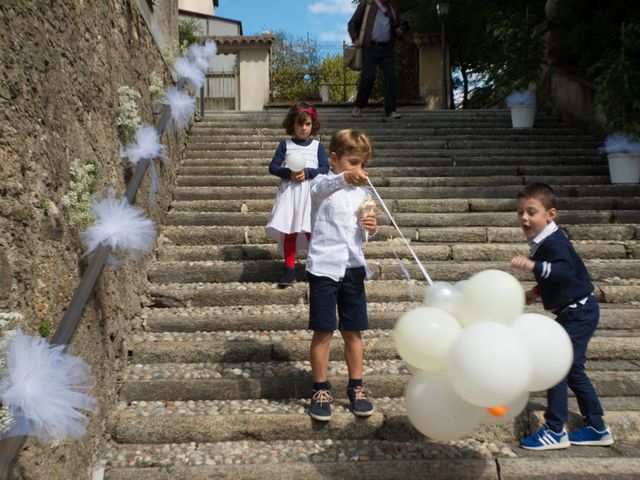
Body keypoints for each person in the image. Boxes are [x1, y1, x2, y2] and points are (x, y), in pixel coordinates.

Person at [511, 183, 614, 450]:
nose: (524, 218)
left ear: (550, 215)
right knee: (574, 370)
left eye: (531, 212)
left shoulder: (553, 241)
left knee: (556, 366)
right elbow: (564, 276)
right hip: (577, 310)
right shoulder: (544, 241)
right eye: (520, 212)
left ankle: (555, 430)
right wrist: (535, 291)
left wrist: (534, 266)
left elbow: (565, 271)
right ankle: (597, 427)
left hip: (579, 312)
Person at [305, 129, 378, 421]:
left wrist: (371, 226)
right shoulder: (322, 183)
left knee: (353, 330)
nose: (358, 170)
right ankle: (320, 388)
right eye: (352, 163)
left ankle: (356, 387)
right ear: (334, 159)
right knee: (323, 329)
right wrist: (344, 178)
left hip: (353, 266)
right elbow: (318, 191)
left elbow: (363, 232)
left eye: (361, 164)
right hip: (323, 266)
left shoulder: (364, 193)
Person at [266, 102, 329, 287]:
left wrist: (308, 173)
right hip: (290, 195)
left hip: (310, 195)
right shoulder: (285, 145)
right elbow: (273, 167)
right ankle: (289, 269)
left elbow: (325, 168)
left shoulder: (317, 146)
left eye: (307, 124)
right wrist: (288, 173)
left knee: (312, 231)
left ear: (313, 125)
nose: (304, 128)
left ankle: (317, 267)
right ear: (292, 124)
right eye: (300, 124)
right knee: (290, 230)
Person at [348, 0, 405, 121]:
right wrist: (355, 39)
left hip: (387, 50)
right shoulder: (367, 4)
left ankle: (391, 110)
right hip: (369, 47)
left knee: (390, 76)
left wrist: (399, 33)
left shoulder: (392, 8)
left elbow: (395, 30)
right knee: (368, 76)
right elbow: (352, 23)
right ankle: (358, 106)